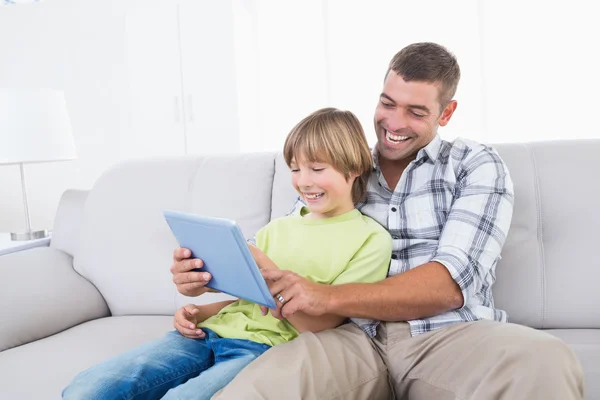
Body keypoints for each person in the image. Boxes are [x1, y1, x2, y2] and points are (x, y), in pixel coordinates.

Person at [173, 42, 585, 399]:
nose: (394, 123)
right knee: (250, 391)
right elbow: (281, 254)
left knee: (546, 361)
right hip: (345, 338)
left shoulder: (474, 165)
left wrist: (327, 296)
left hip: (443, 336)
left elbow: (449, 284)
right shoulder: (340, 165)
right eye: (387, 103)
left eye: (416, 111)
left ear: (447, 112)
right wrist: (210, 275)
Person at [61, 108, 393, 399]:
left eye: (317, 169)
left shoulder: (370, 240)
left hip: (262, 350)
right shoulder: (277, 229)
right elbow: (247, 301)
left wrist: (262, 263)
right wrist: (199, 312)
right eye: (295, 169)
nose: (303, 181)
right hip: (207, 334)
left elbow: (321, 325)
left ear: (354, 169)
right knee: (85, 389)